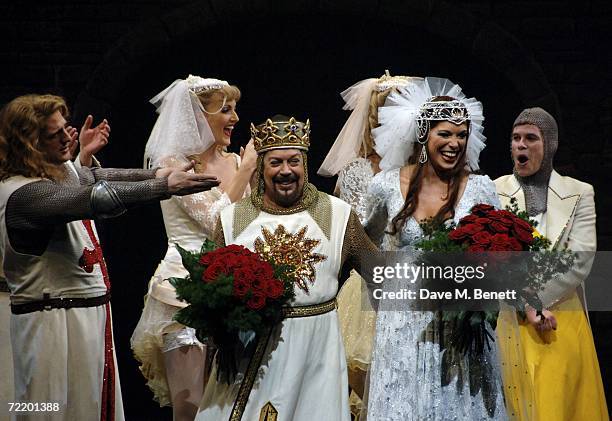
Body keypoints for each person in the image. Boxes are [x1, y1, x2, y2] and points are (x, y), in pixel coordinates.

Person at [0, 93, 218, 420]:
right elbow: (96, 198)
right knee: (49, 408)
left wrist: (160, 176)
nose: (66, 138)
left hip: (83, 316)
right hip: (52, 322)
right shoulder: (25, 193)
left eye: (65, 128)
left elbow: (102, 177)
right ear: (28, 143)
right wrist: (163, 188)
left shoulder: (55, 175)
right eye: (53, 134)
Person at [194, 115, 378, 421]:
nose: (285, 171)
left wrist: (464, 279)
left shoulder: (336, 214)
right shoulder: (232, 219)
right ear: (262, 166)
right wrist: (218, 339)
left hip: (316, 353)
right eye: (275, 162)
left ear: (304, 164)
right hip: (252, 358)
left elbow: (381, 273)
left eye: (293, 161)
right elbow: (210, 299)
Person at [363, 77, 512, 420]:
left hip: (460, 326)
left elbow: (501, 253)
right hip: (403, 325)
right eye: (445, 133)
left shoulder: (480, 189)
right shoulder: (386, 185)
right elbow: (363, 243)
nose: (455, 143)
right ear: (424, 134)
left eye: (461, 135)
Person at [131, 75, 257, 420]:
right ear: (198, 116)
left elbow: (249, 225)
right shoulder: (174, 166)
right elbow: (218, 221)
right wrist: (247, 172)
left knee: (231, 404)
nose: (234, 119)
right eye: (225, 110)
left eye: (235, 110)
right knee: (191, 407)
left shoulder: (233, 161)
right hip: (182, 290)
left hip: (234, 287)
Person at [495, 107, 609, 420]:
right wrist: (524, 303)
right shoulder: (494, 189)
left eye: (531, 138)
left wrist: (539, 300)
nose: (521, 145)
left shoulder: (579, 192)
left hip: (560, 316)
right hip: (509, 317)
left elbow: (580, 258)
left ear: (549, 145)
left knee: (557, 403)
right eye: (516, 138)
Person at [318, 71, 420, 419]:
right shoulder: (358, 171)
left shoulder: (426, 169)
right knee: (374, 390)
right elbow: (355, 233)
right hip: (370, 288)